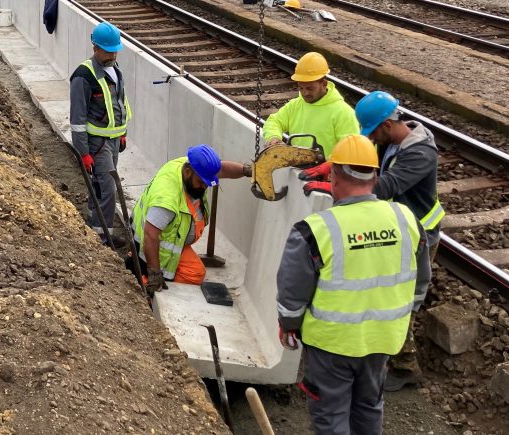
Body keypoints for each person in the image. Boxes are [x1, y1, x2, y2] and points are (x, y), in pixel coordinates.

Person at [276, 134, 430, 435]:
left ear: (333, 176)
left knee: (331, 415)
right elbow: (421, 281)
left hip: (333, 344)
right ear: (376, 175)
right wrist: (401, 315)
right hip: (384, 339)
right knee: (369, 407)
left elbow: (292, 291)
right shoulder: (406, 218)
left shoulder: (315, 230)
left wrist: (289, 324)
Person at [356, 90, 445, 391]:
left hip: (419, 235)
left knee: (403, 297)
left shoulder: (420, 153)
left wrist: (342, 181)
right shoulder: (393, 143)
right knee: (392, 293)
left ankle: (406, 365)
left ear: (387, 125)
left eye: (373, 133)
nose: (372, 139)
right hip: (401, 230)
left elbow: (386, 185)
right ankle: (390, 352)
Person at [132, 145, 252, 294]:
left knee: (196, 271)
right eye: (201, 182)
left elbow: (223, 169)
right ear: (188, 172)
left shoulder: (190, 166)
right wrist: (154, 272)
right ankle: (143, 283)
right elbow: (150, 235)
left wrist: (248, 171)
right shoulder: (167, 199)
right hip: (152, 247)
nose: (203, 187)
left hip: (168, 237)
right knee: (194, 274)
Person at [70, 22, 131, 244]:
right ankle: (101, 236)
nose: (113, 54)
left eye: (115, 50)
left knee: (99, 186)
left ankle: (93, 225)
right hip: (97, 144)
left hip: (113, 141)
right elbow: (77, 120)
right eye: (108, 50)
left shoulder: (115, 70)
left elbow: (119, 104)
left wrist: (122, 133)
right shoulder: (83, 76)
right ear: (95, 48)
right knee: (107, 189)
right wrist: (83, 152)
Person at [262, 51, 358, 161]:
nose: (305, 93)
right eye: (301, 88)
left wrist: (327, 166)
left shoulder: (344, 113)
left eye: (310, 88)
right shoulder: (295, 105)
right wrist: (274, 137)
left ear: (324, 83)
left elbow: (350, 150)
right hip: (297, 170)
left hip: (326, 176)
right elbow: (274, 121)